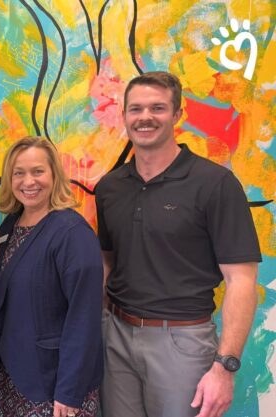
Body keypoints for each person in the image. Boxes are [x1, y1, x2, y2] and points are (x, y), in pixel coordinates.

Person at [95, 71, 261, 417]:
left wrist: (225, 367)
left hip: (183, 342)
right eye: (136, 109)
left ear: (177, 115)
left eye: (157, 108)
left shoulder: (215, 184)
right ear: (123, 115)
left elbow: (242, 281)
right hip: (117, 338)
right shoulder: (110, 187)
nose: (145, 117)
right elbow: (107, 263)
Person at [0, 136, 103, 417]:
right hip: (15, 374)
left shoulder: (72, 233)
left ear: (54, 175)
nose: (29, 182)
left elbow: (84, 318)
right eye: (19, 173)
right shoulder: (10, 225)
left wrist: (70, 392)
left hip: (55, 383)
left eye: (38, 171)